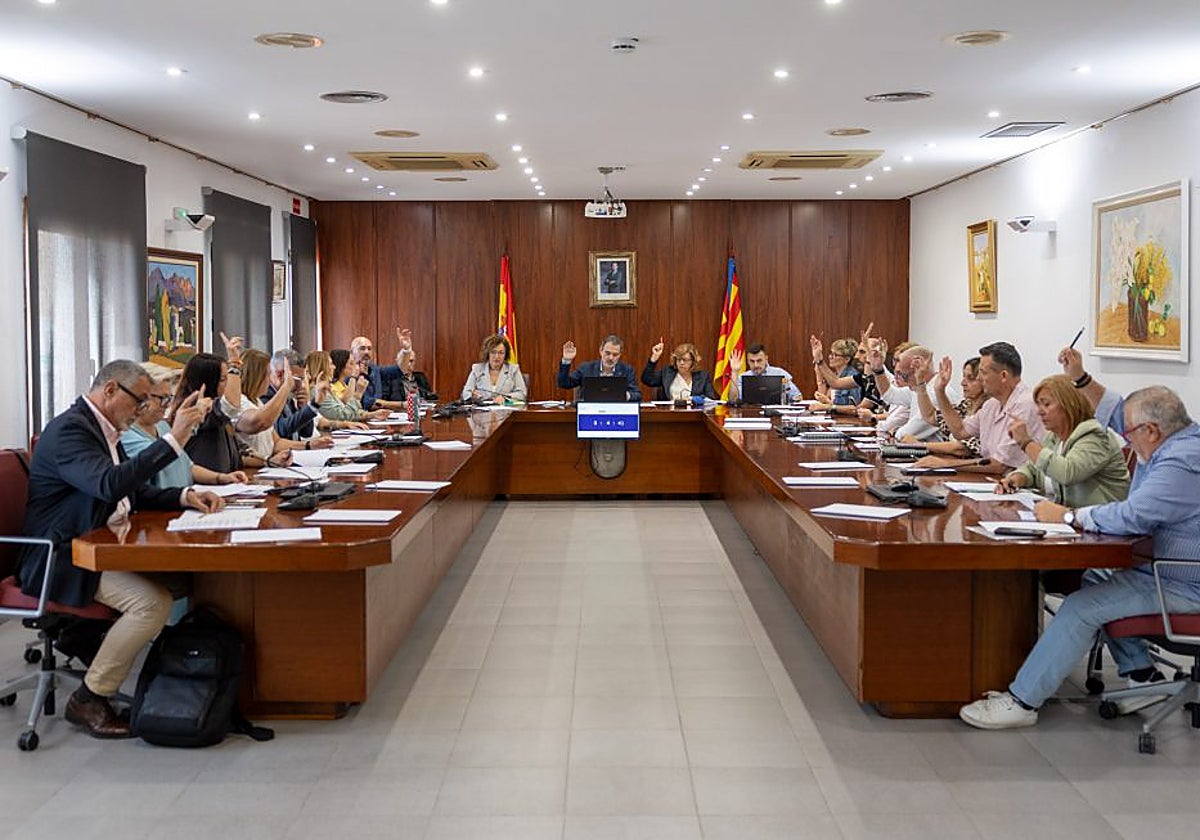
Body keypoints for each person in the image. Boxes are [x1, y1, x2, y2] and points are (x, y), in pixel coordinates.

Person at [959, 386, 1200, 729]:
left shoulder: (1181, 461)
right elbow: (1117, 411)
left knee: (1082, 606)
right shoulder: (1180, 442)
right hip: (1160, 568)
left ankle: (1022, 701)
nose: (1127, 443)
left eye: (1131, 434)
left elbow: (1135, 516)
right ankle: (1142, 676)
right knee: (1094, 578)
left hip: (1184, 582)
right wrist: (1081, 376)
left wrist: (1071, 517)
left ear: (1152, 431)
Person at [17, 359, 223, 739]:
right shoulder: (69, 432)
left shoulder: (105, 429)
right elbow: (110, 485)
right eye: (140, 400)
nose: (144, 409)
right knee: (152, 603)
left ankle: (90, 640)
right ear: (110, 390)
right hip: (60, 556)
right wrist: (173, 439)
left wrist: (184, 496)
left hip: (97, 543)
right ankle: (90, 696)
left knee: (188, 578)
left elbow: (133, 491)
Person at [995, 374, 1130, 507]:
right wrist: (1017, 478)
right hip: (1063, 519)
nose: (1039, 412)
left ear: (1069, 404)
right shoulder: (1054, 436)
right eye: (1038, 405)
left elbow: (1067, 473)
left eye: (1046, 404)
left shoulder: (1096, 435)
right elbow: (1033, 469)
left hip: (1097, 524)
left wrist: (1026, 442)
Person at [915, 341, 1042, 473]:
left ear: (1003, 376)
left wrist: (945, 464)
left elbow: (1000, 465)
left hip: (1017, 486)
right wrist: (940, 390)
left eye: (983, 373)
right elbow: (960, 431)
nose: (980, 379)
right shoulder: (992, 404)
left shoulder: (1025, 405)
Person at [121, 362, 249, 488]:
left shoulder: (162, 426)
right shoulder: (125, 435)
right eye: (161, 398)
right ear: (142, 397)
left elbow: (187, 466)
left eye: (168, 398)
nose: (166, 404)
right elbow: (158, 458)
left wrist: (220, 478)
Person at [224, 348, 328, 465]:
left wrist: (309, 445)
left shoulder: (257, 401)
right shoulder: (240, 401)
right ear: (256, 377)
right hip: (251, 471)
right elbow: (261, 422)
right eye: (268, 374)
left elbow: (276, 442)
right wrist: (286, 386)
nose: (269, 380)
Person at [175, 351, 242, 474]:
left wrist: (267, 460)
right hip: (205, 486)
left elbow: (239, 452)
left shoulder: (215, 406)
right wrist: (234, 366)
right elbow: (231, 405)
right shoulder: (194, 409)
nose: (228, 384)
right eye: (223, 380)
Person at [557, 334, 640, 402]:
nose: (611, 358)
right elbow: (563, 384)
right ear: (601, 351)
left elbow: (637, 394)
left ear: (620, 355)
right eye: (607, 353)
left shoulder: (627, 370)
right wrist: (566, 360)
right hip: (590, 412)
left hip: (616, 412)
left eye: (615, 354)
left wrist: (626, 395)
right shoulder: (586, 368)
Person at [641, 338, 717, 402]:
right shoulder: (667, 372)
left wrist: (695, 400)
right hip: (670, 414)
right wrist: (654, 358)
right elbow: (647, 380)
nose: (681, 363)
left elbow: (710, 399)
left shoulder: (703, 376)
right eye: (678, 359)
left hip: (696, 415)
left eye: (685, 360)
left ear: (693, 361)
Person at [461, 334, 527, 404]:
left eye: (501, 353)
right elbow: (465, 393)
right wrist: (472, 395)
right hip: (481, 412)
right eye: (493, 352)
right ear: (488, 353)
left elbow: (522, 394)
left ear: (505, 355)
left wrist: (505, 398)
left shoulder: (513, 369)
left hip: (506, 411)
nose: (497, 356)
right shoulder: (477, 369)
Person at [728, 343, 801, 402]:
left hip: (775, 416)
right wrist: (734, 371)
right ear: (747, 361)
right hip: (749, 415)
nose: (756, 365)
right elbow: (732, 399)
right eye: (752, 361)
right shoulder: (742, 377)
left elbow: (798, 396)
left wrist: (788, 402)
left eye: (759, 360)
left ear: (766, 359)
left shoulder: (780, 373)